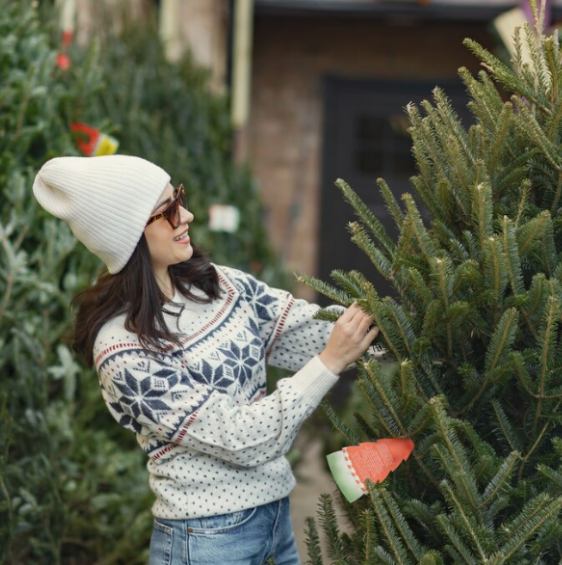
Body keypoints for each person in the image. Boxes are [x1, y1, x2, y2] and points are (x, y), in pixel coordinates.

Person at [33, 154, 379, 565]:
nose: (188, 215)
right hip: (207, 542)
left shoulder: (218, 285)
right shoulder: (121, 351)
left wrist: (418, 328)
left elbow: (310, 328)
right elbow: (243, 439)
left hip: (275, 524)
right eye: (169, 210)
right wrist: (329, 364)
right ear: (129, 234)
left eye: (178, 197)